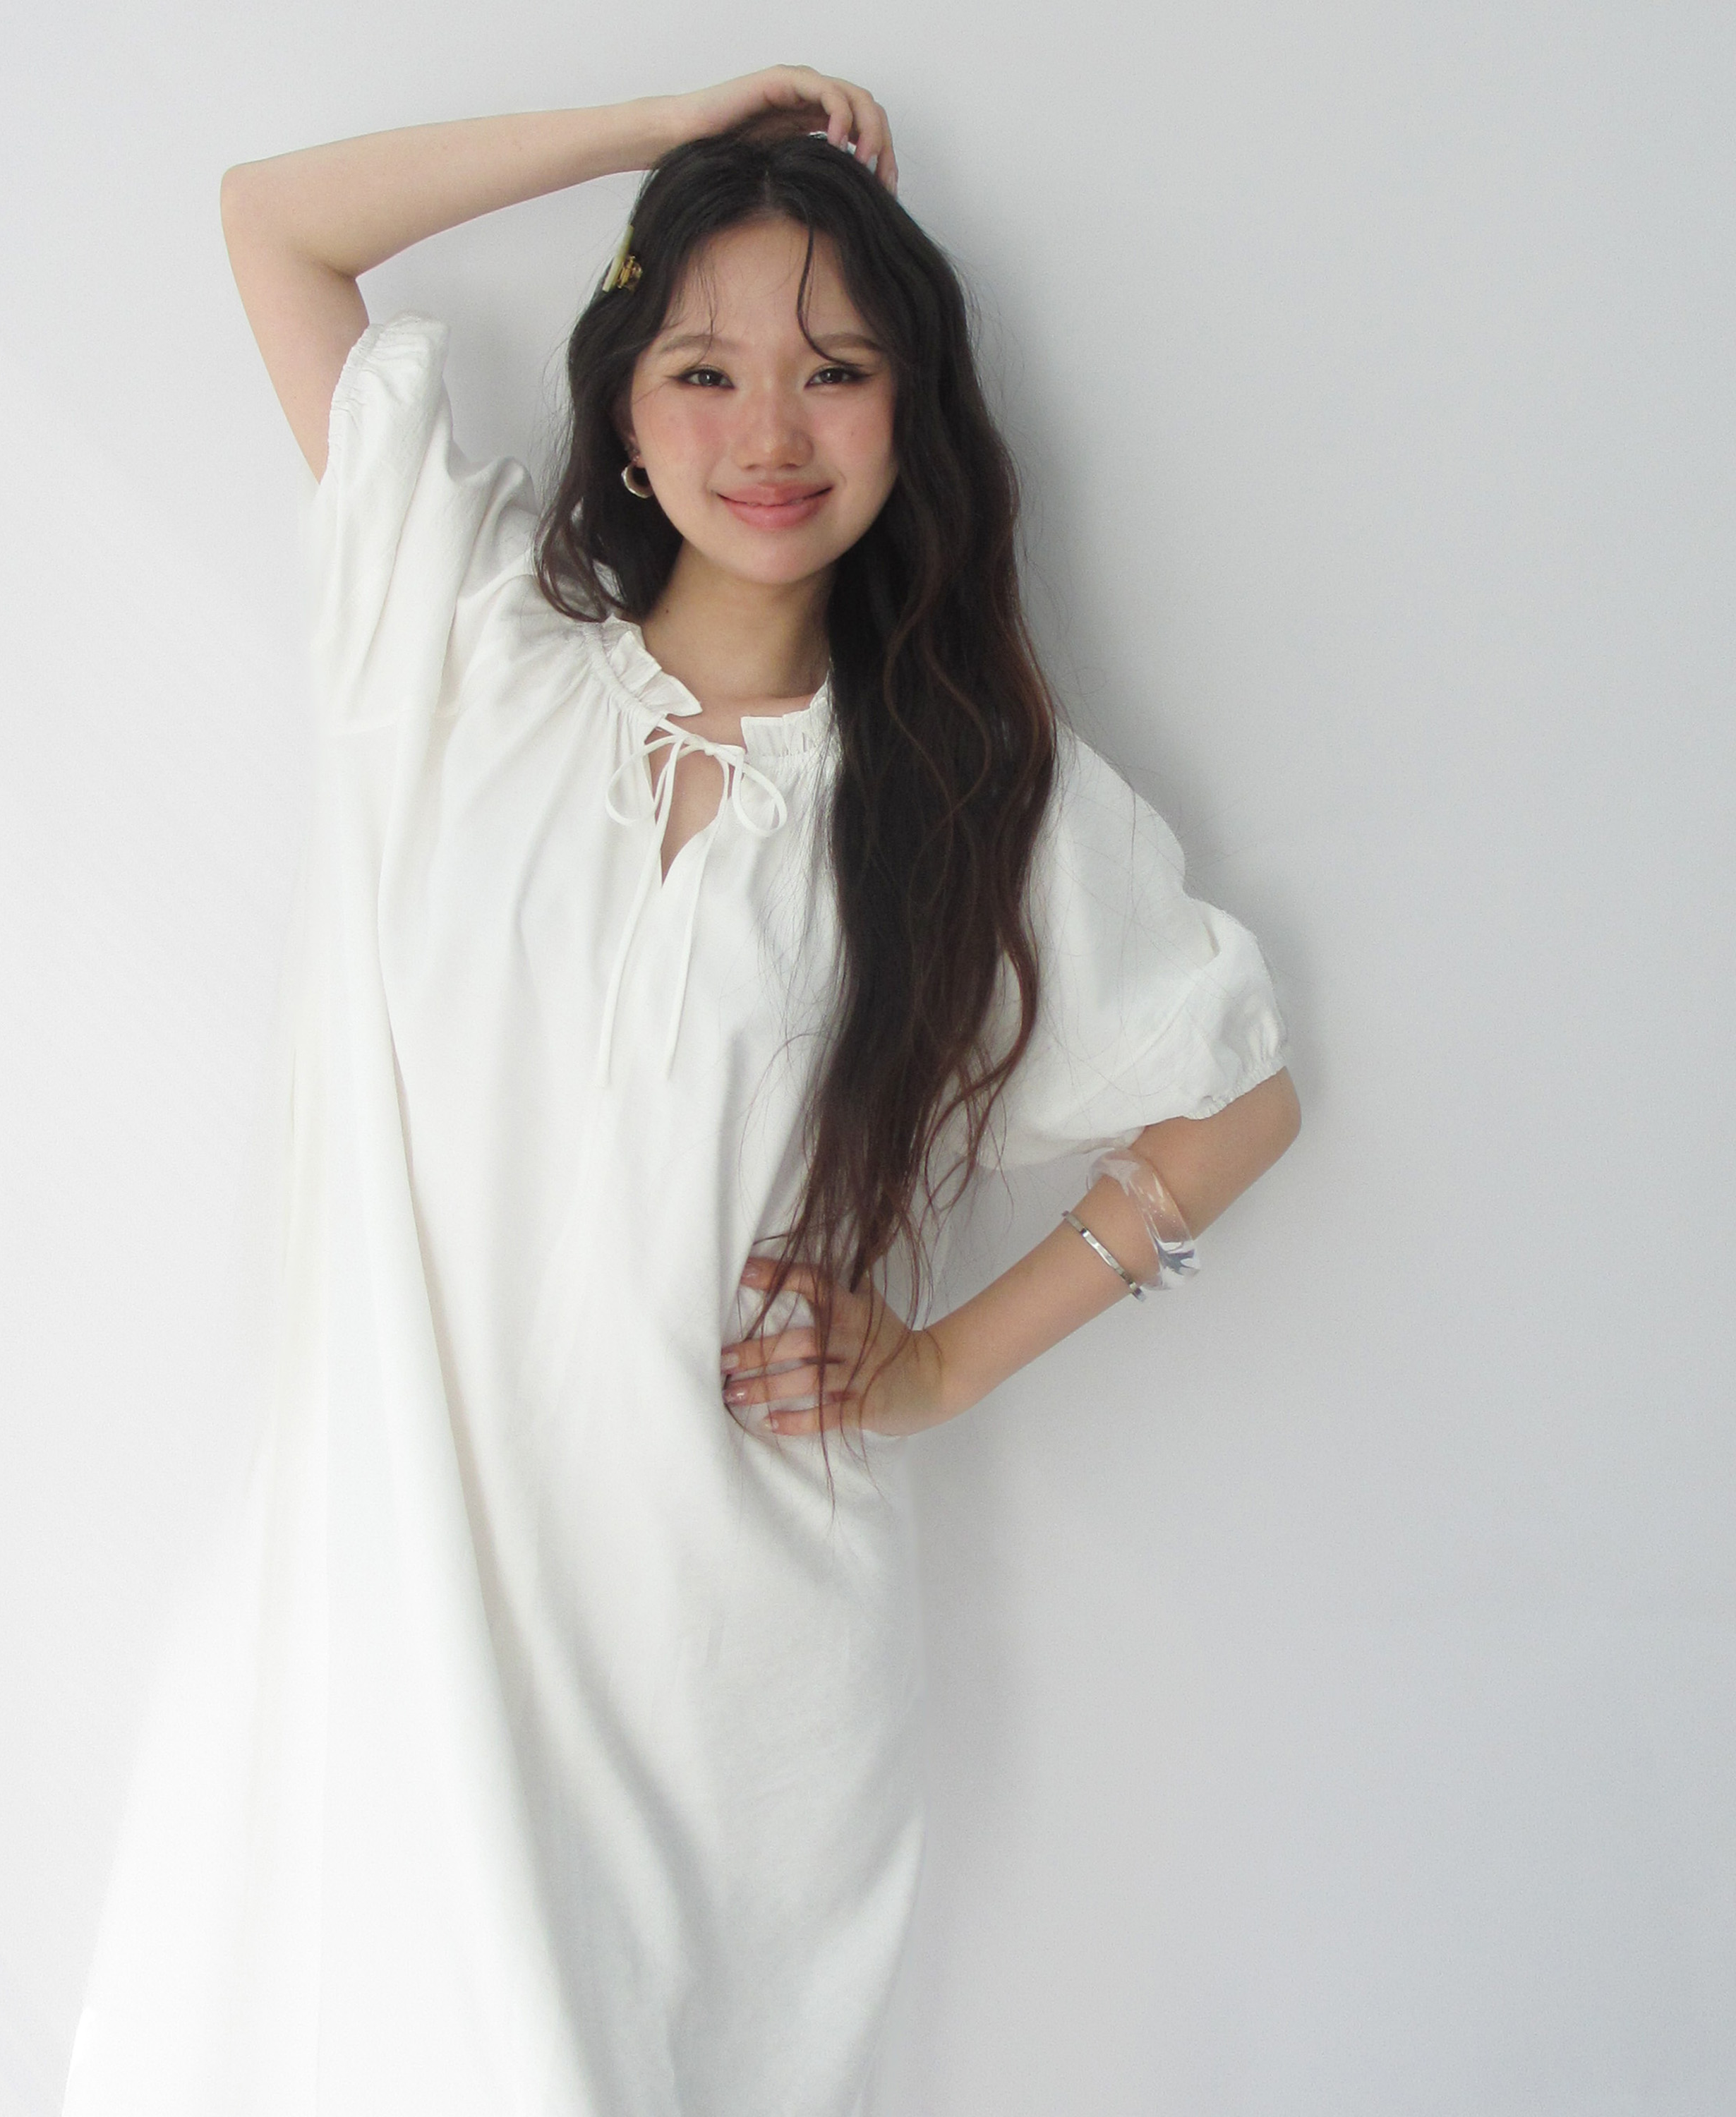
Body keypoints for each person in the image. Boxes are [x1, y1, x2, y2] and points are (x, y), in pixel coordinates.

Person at [64, 66, 1301, 2117]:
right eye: (705, 369)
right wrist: (664, 136)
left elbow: (1235, 1101)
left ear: (914, 414)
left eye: (837, 372)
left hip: (733, 1680)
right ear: (626, 409)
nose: (770, 432)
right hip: (383, 1611)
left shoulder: (974, 799)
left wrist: (943, 1365)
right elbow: (276, 223)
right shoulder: (463, 656)